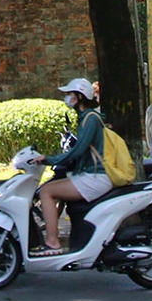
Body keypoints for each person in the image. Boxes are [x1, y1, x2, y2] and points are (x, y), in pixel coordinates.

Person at [31, 78, 111, 256]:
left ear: (80, 96)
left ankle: (52, 242)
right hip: (90, 174)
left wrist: (49, 160)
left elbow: (77, 150)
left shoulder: (90, 119)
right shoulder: (86, 118)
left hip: (96, 176)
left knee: (46, 191)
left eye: (70, 94)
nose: (67, 98)